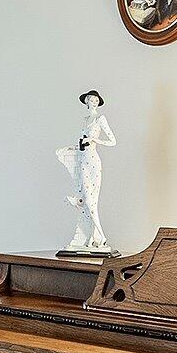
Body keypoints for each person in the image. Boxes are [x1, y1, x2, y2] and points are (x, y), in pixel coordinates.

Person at [58, 89, 116, 254]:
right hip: (82, 159)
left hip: (92, 161)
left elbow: (112, 141)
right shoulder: (84, 120)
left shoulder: (100, 119)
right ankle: (91, 237)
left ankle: (100, 237)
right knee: (85, 197)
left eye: (96, 100)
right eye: (90, 100)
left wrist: (93, 139)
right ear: (86, 102)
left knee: (91, 201)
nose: (93, 102)